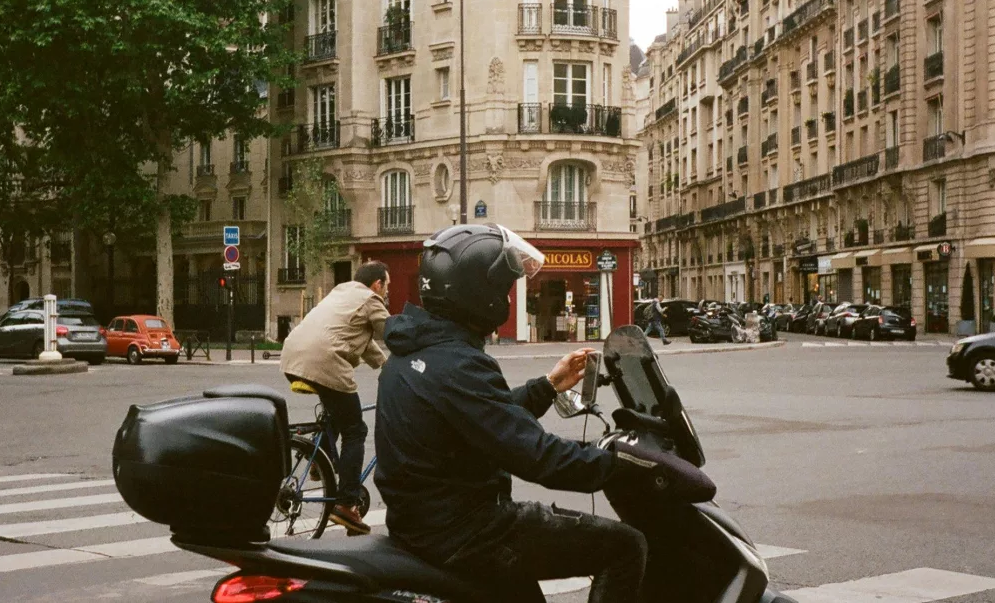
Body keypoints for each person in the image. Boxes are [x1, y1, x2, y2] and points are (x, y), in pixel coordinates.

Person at [374, 224, 716, 603]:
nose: (506, 296)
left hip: (425, 524)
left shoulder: (414, 350)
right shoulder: (458, 363)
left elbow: (483, 418)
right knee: (625, 546)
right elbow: (537, 456)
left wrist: (549, 386)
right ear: (479, 293)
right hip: (468, 532)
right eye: (503, 287)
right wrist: (627, 466)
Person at [280, 261, 391, 536]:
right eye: (387, 285)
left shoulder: (342, 292)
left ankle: (321, 463)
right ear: (377, 284)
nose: (387, 292)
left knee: (335, 413)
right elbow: (392, 332)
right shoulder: (370, 299)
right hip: (324, 361)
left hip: (293, 357)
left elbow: (361, 341)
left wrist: (386, 366)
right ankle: (347, 503)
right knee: (356, 430)